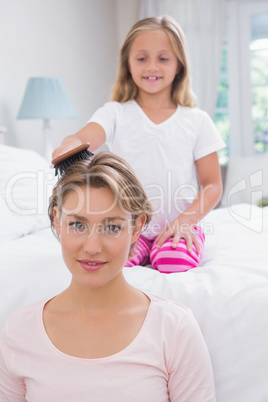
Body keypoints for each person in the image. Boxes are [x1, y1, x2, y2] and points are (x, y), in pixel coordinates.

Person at [0, 152, 216, 401]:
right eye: (78, 225)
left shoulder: (175, 329)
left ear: (136, 227)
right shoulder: (18, 332)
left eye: (112, 227)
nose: (92, 247)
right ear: (58, 221)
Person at [52, 16, 225, 273]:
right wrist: (70, 143)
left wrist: (187, 221)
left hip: (179, 225)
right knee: (114, 268)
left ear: (179, 66)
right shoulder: (115, 114)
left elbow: (212, 184)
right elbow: (84, 138)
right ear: (128, 64)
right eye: (142, 58)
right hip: (128, 225)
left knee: (173, 262)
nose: (151, 66)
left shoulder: (197, 121)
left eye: (163, 58)